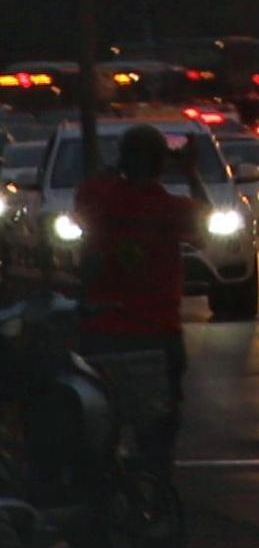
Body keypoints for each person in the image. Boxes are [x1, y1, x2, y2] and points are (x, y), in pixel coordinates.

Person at [75, 125, 193, 455]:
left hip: (102, 333)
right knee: (159, 427)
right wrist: (190, 171)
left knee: (100, 426)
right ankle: (156, 488)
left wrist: (116, 170)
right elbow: (205, 219)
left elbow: (88, 193)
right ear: (160, 165)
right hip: (158, 334)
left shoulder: (98, 200)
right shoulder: (172, 209)